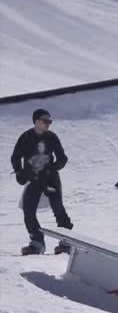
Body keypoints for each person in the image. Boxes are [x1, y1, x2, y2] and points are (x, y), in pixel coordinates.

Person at [11, 109, 74, 255]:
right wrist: (19, 172)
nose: (48, 124)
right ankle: (37, 242)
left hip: (50, 178)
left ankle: (66, 243)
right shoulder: (26, 137)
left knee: (58, 208)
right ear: (36, 121)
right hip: (34, 179)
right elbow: (15, 157)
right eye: (46, 121)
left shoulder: (52, 137)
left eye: (50, 121)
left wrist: (52, 169)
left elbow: (62, 158)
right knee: (28, 210)